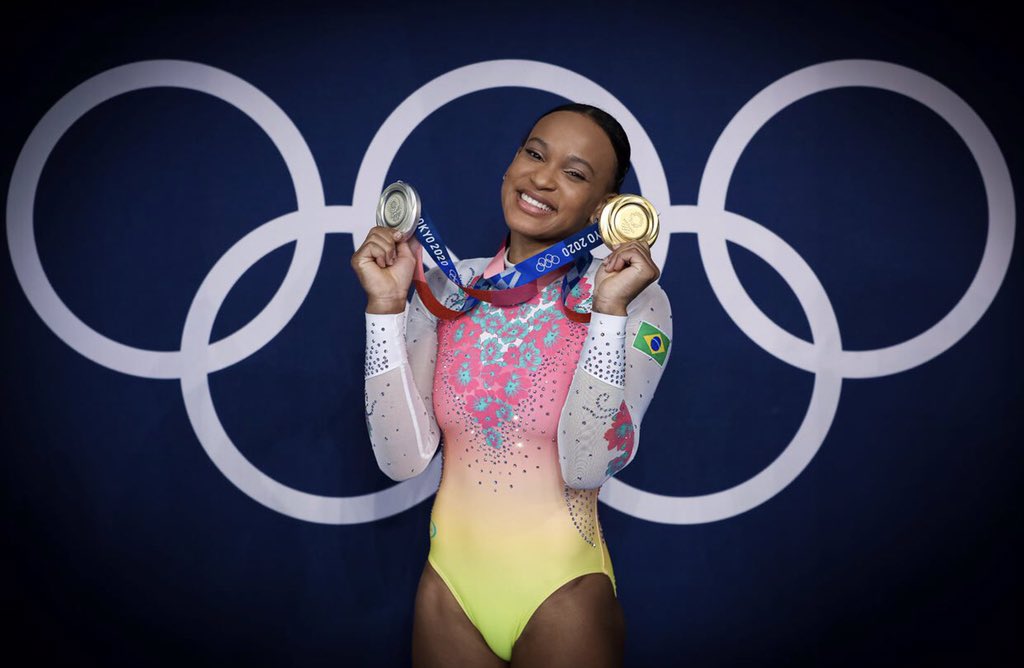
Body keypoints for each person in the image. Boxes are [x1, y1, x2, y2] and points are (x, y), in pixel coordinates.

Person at [352, 103, 672, 667]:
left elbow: (586, 465)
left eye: (574, 173)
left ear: (606, 209)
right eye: (534, 153)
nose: (543, 178)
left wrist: (608, 312)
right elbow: (401, 460)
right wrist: (384, 307)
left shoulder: (634, 298)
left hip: (562, 593)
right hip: (448, 591)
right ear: (510, 163)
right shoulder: (450, 290)